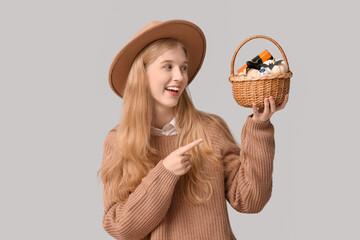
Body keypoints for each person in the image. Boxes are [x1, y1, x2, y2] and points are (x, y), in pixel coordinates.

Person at [98, 19, 289, 240]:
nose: (180, 76)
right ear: (142, 74)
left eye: (184, 67)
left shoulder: (210, 129)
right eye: (168, 66)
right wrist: (165, 173)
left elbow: (250, 201)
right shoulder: (118, 142)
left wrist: (259, 127)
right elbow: (122, 228)